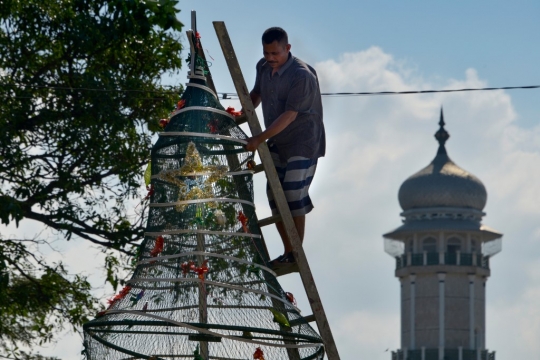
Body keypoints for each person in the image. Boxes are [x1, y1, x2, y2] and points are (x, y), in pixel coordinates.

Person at [244, 27, 325, 267]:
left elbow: (290, 115)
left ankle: (295, 254)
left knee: (292, 193)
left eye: (275, 53)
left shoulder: (301, 76)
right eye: (266, 53)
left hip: (303, 141)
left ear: (287, 49)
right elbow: (256, 94)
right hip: (278, 139)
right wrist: (241, 113)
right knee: (274, 196)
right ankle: (289, 251)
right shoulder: (263, 67)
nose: (270, 58)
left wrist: (258, 139)